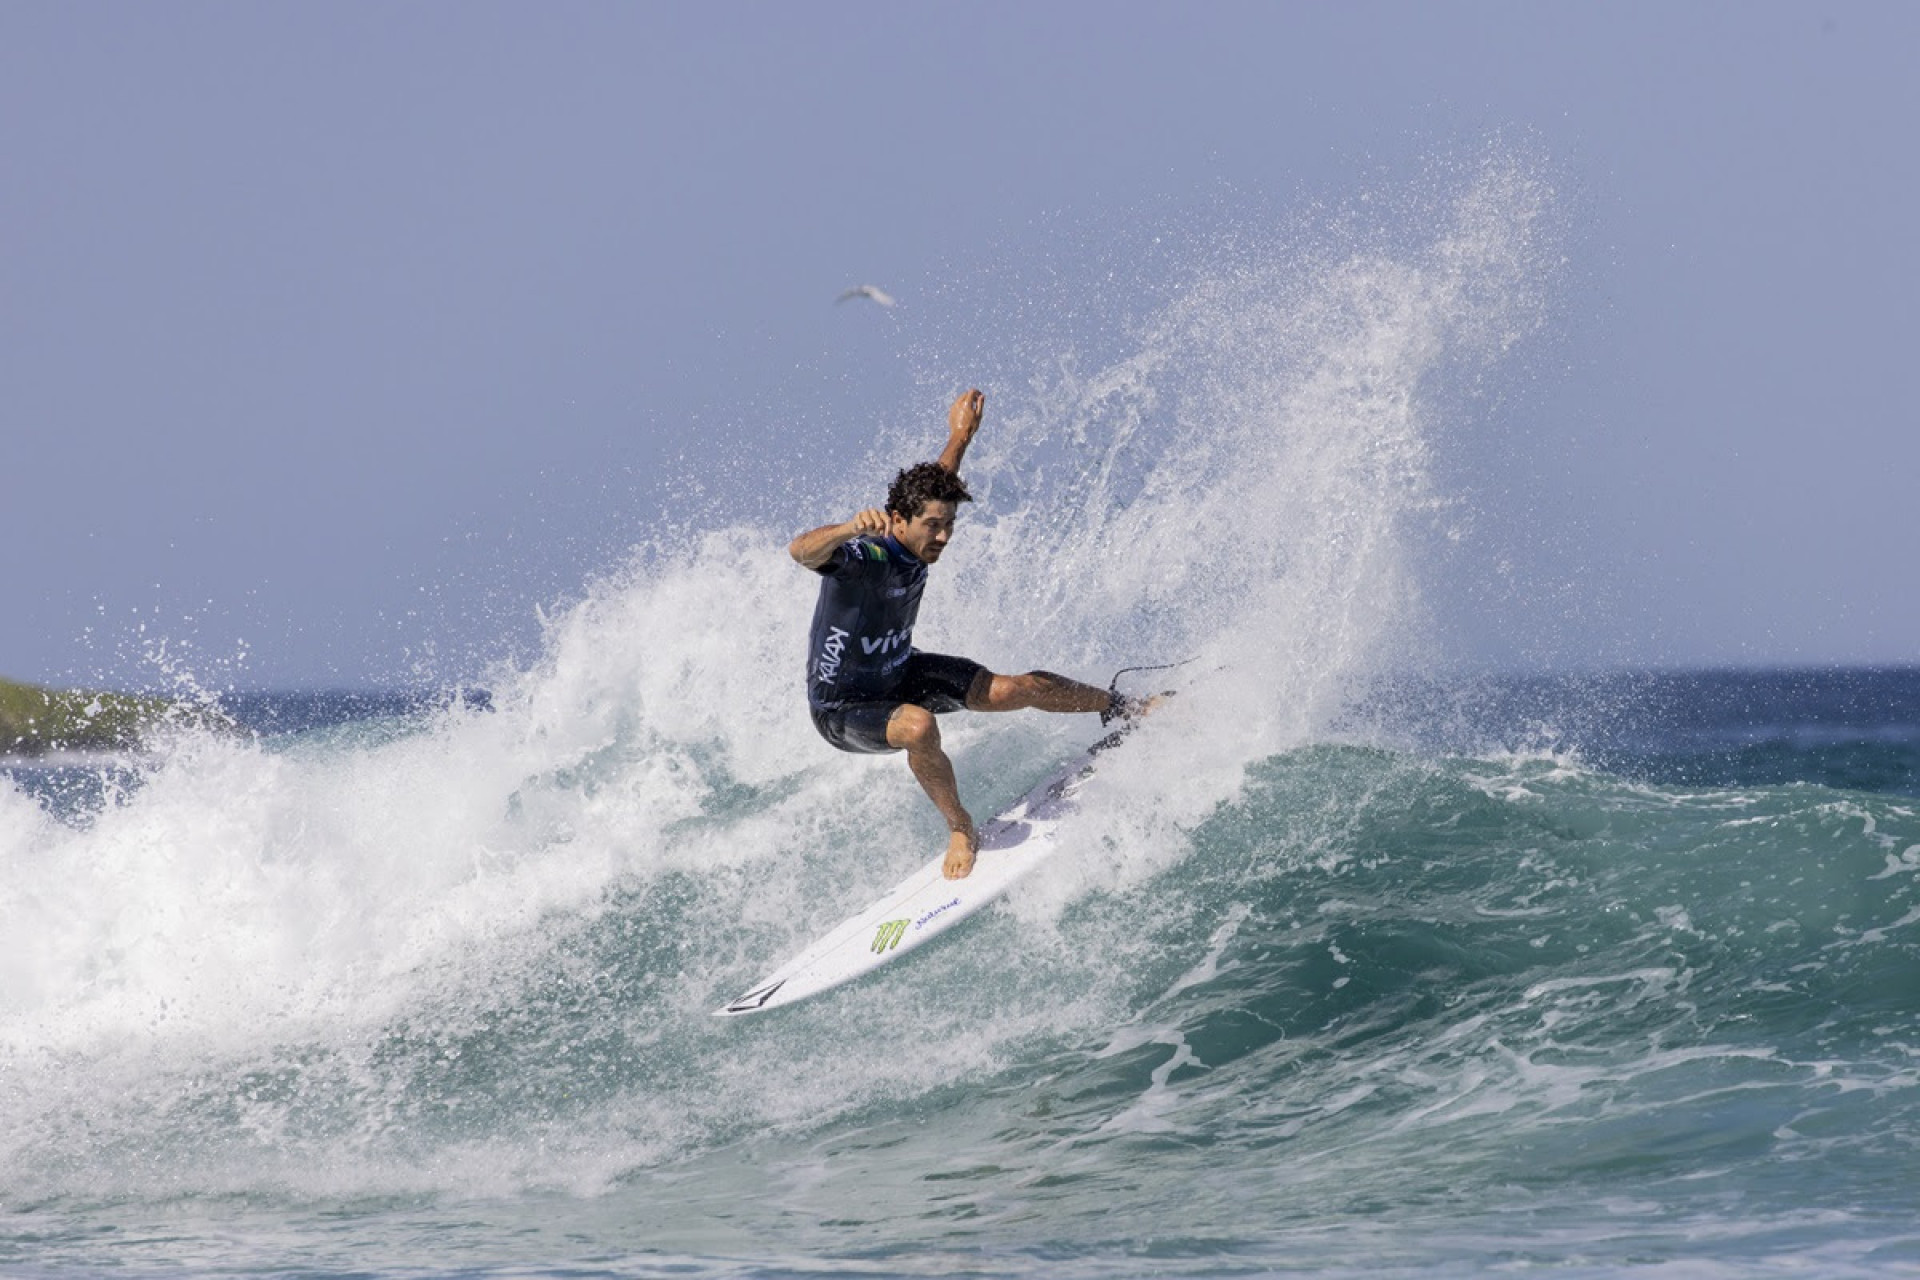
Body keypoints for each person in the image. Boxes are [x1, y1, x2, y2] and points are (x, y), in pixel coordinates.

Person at [789, 388, 1142, 880]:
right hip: (843, 708)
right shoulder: (867, 558)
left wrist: (960, 435)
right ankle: (959, 827)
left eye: (949, 524)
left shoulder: (920, 524)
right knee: (918, 727)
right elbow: (801, 552)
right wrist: (848, 528)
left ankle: (1123, 708)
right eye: (933, 526)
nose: (944, 536)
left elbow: (940, 481)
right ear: (897, 521)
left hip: (899, 673)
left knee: (1019, 688)